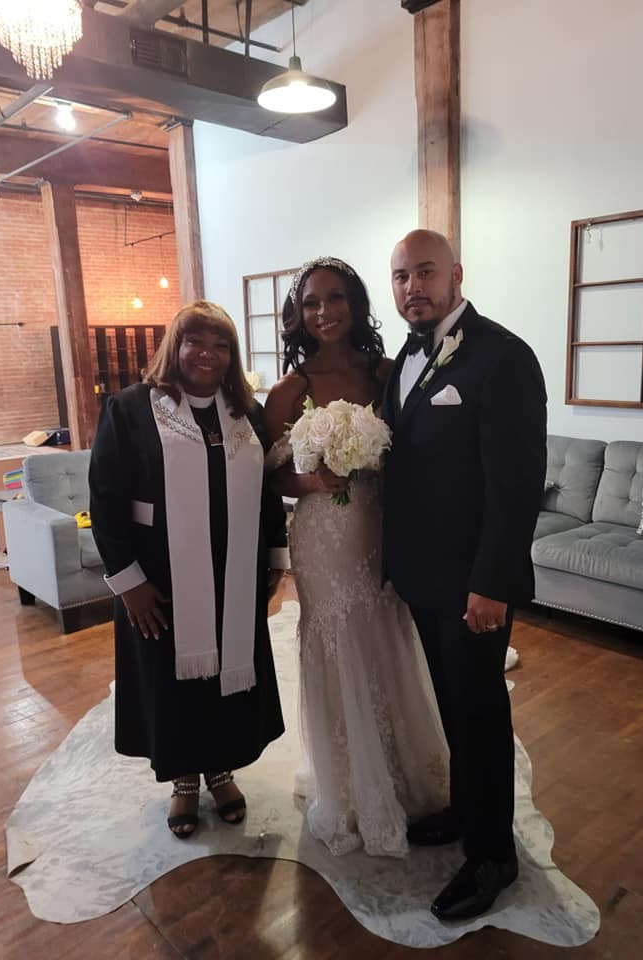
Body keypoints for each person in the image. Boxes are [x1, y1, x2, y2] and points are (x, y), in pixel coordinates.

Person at [382, 230, 547, 920]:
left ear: (456, 275)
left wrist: (493, 583)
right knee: (452, 706)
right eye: (400, 276)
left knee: (479, 711)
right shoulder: (404, 357)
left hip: (474, 582)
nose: (412, 287)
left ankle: (492, 856)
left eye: (425, 272)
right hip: (421, 575)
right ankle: (466, 808)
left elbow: (516, 485)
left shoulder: (502, 356)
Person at [264, 257, 449, 858]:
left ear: (356, 304)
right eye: (311, 303)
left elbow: (414, 452)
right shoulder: (291, 389)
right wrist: (312, 481)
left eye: (335, 298)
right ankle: (348, 784)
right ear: (299, 315)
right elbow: (270, 475)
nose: (324, 312)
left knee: (387, 630)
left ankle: (400, 766)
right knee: (337, 636)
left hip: (383, 525)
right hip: (323, 533)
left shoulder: (385, 372)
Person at [89, 300, 288, 839]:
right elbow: (105, 499)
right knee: (174, 683)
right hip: (160, 579)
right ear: (174, 346)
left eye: (221, 344)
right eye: (195, 340)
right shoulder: (131, 409)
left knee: (225, 678)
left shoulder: (246, 413)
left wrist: (276, 555)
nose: (208, 353)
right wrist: (128, 582)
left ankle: (220, 770)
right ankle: (183, 779)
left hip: (235, 571)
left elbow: (267, 490)